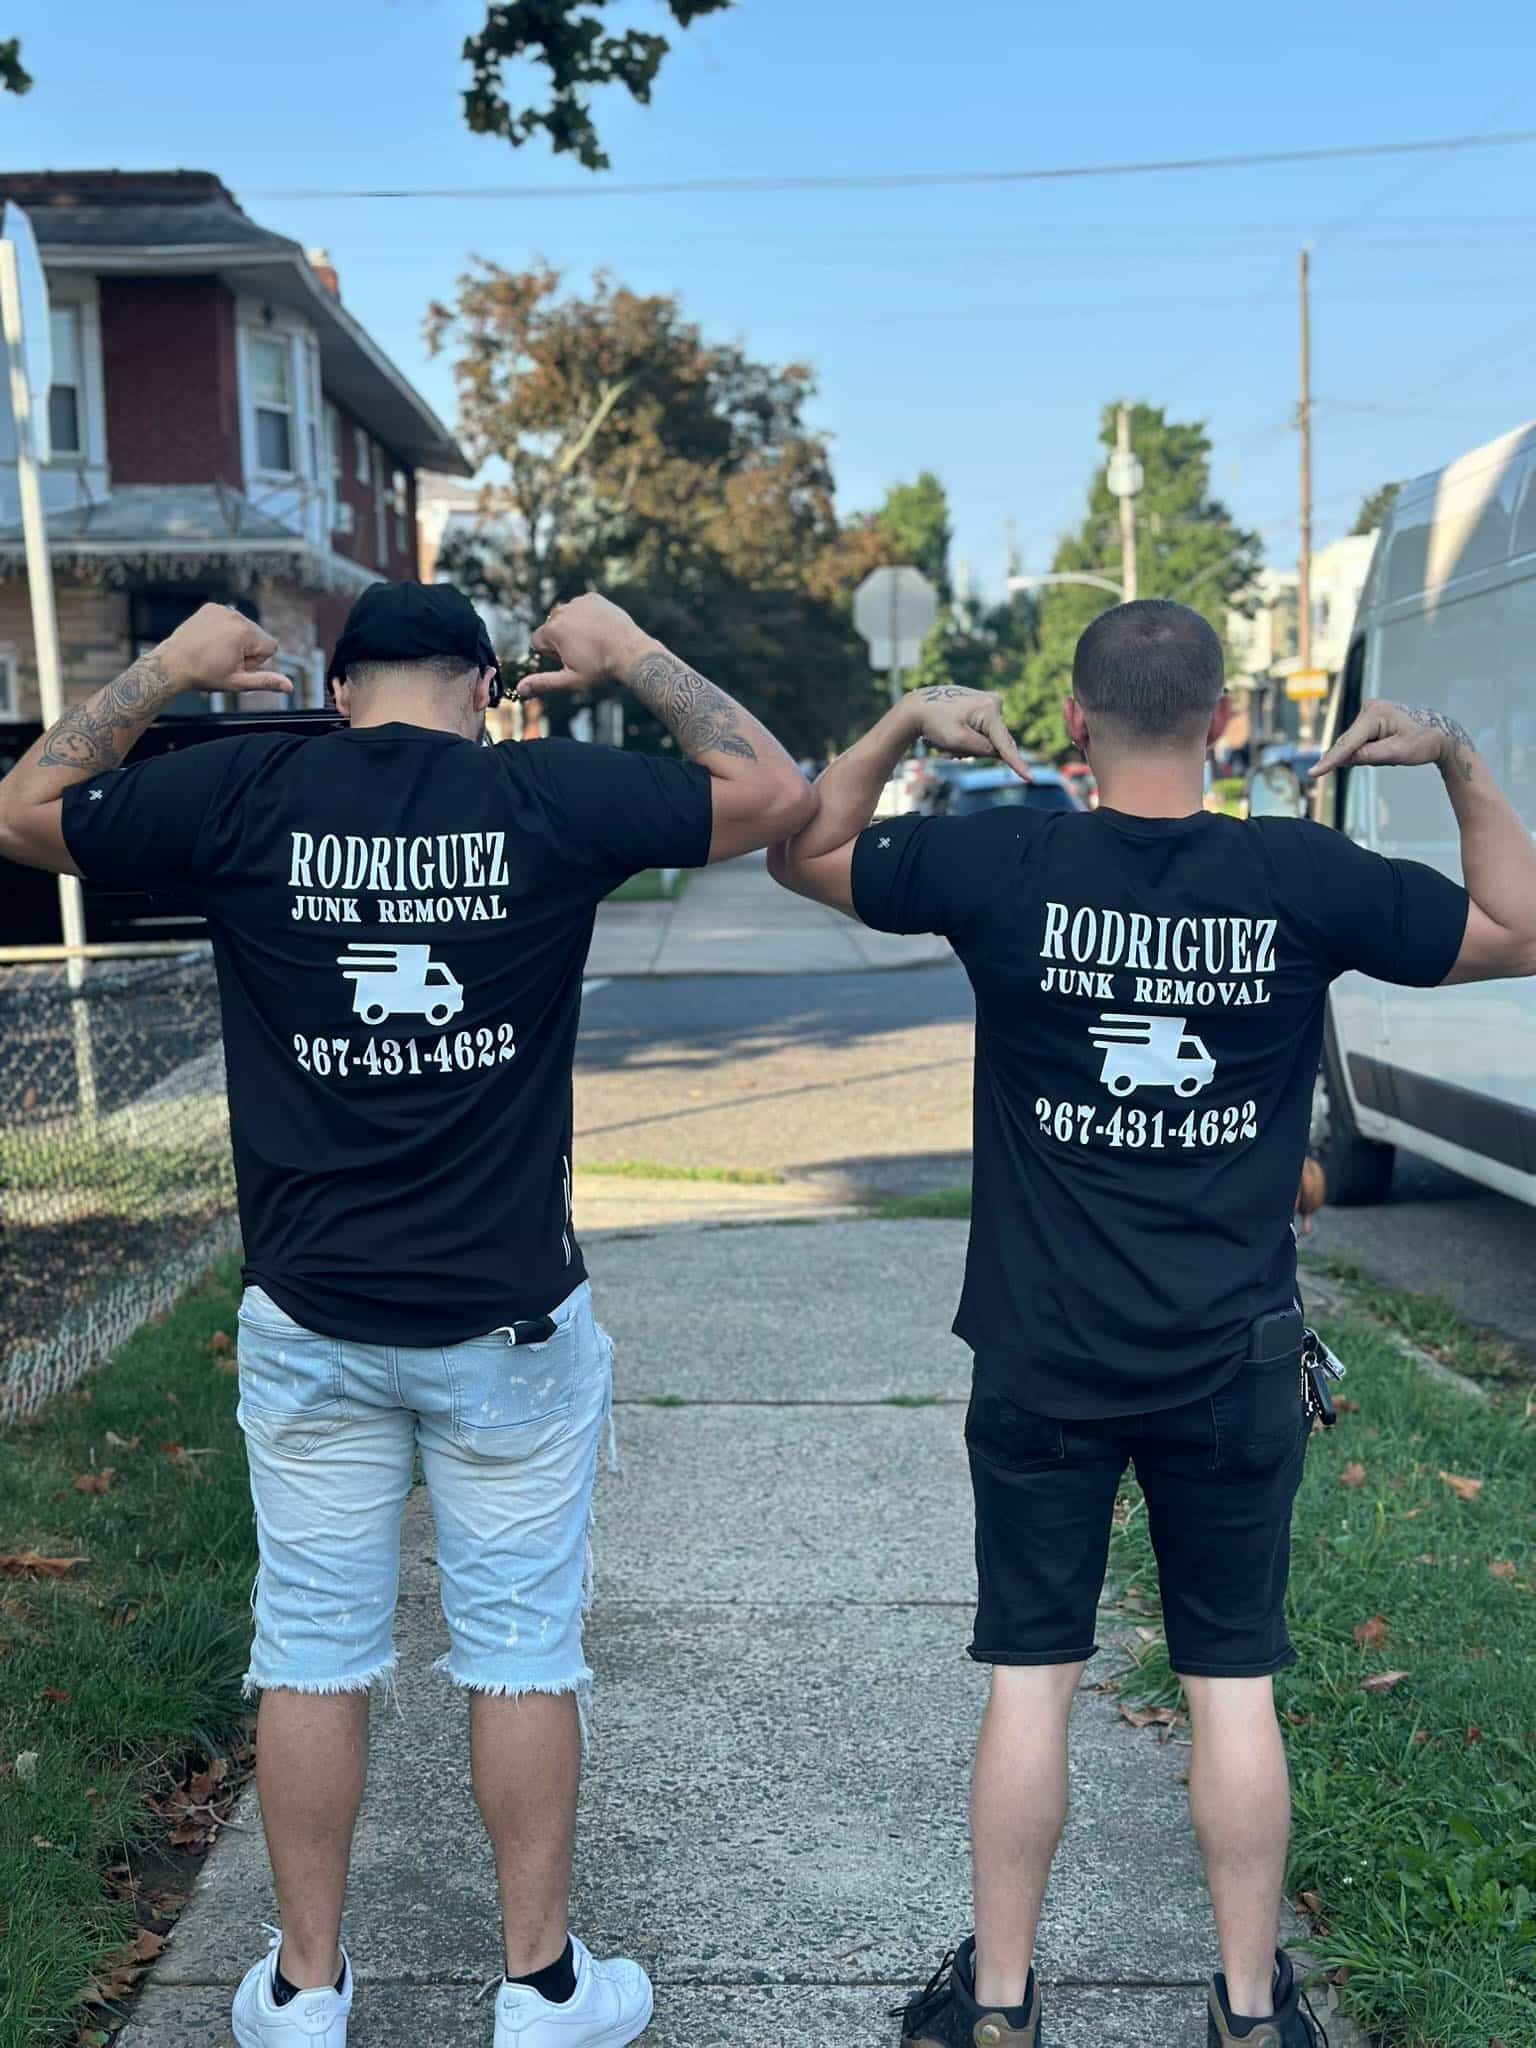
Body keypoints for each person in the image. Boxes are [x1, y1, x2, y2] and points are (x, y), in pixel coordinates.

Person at [0, 583, 815, 2048]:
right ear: (486, 683)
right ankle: (542, 1986)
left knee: (313, 1644)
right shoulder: (541, 795)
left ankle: (307, 1991)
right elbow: (770, 791)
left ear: (336, 674)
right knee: (519, 1647)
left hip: (312, 1315)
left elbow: (28, 806)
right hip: (506, 1319)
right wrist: (629, 649)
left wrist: (172, 669)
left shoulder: (243, 786)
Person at [768, 600, 1536, 2048]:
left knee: (1031, 1683)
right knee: (1233, 1684)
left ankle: (999, 2002)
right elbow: (1522, 926)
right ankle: (1250, 2013)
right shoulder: (1296, 874)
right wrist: (1453, 762)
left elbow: (799, 847)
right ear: (1227, 721)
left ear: (1071, 722)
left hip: (1042, 1355)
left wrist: (900, 723)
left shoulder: (1005, 859)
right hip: (1229, 1362)